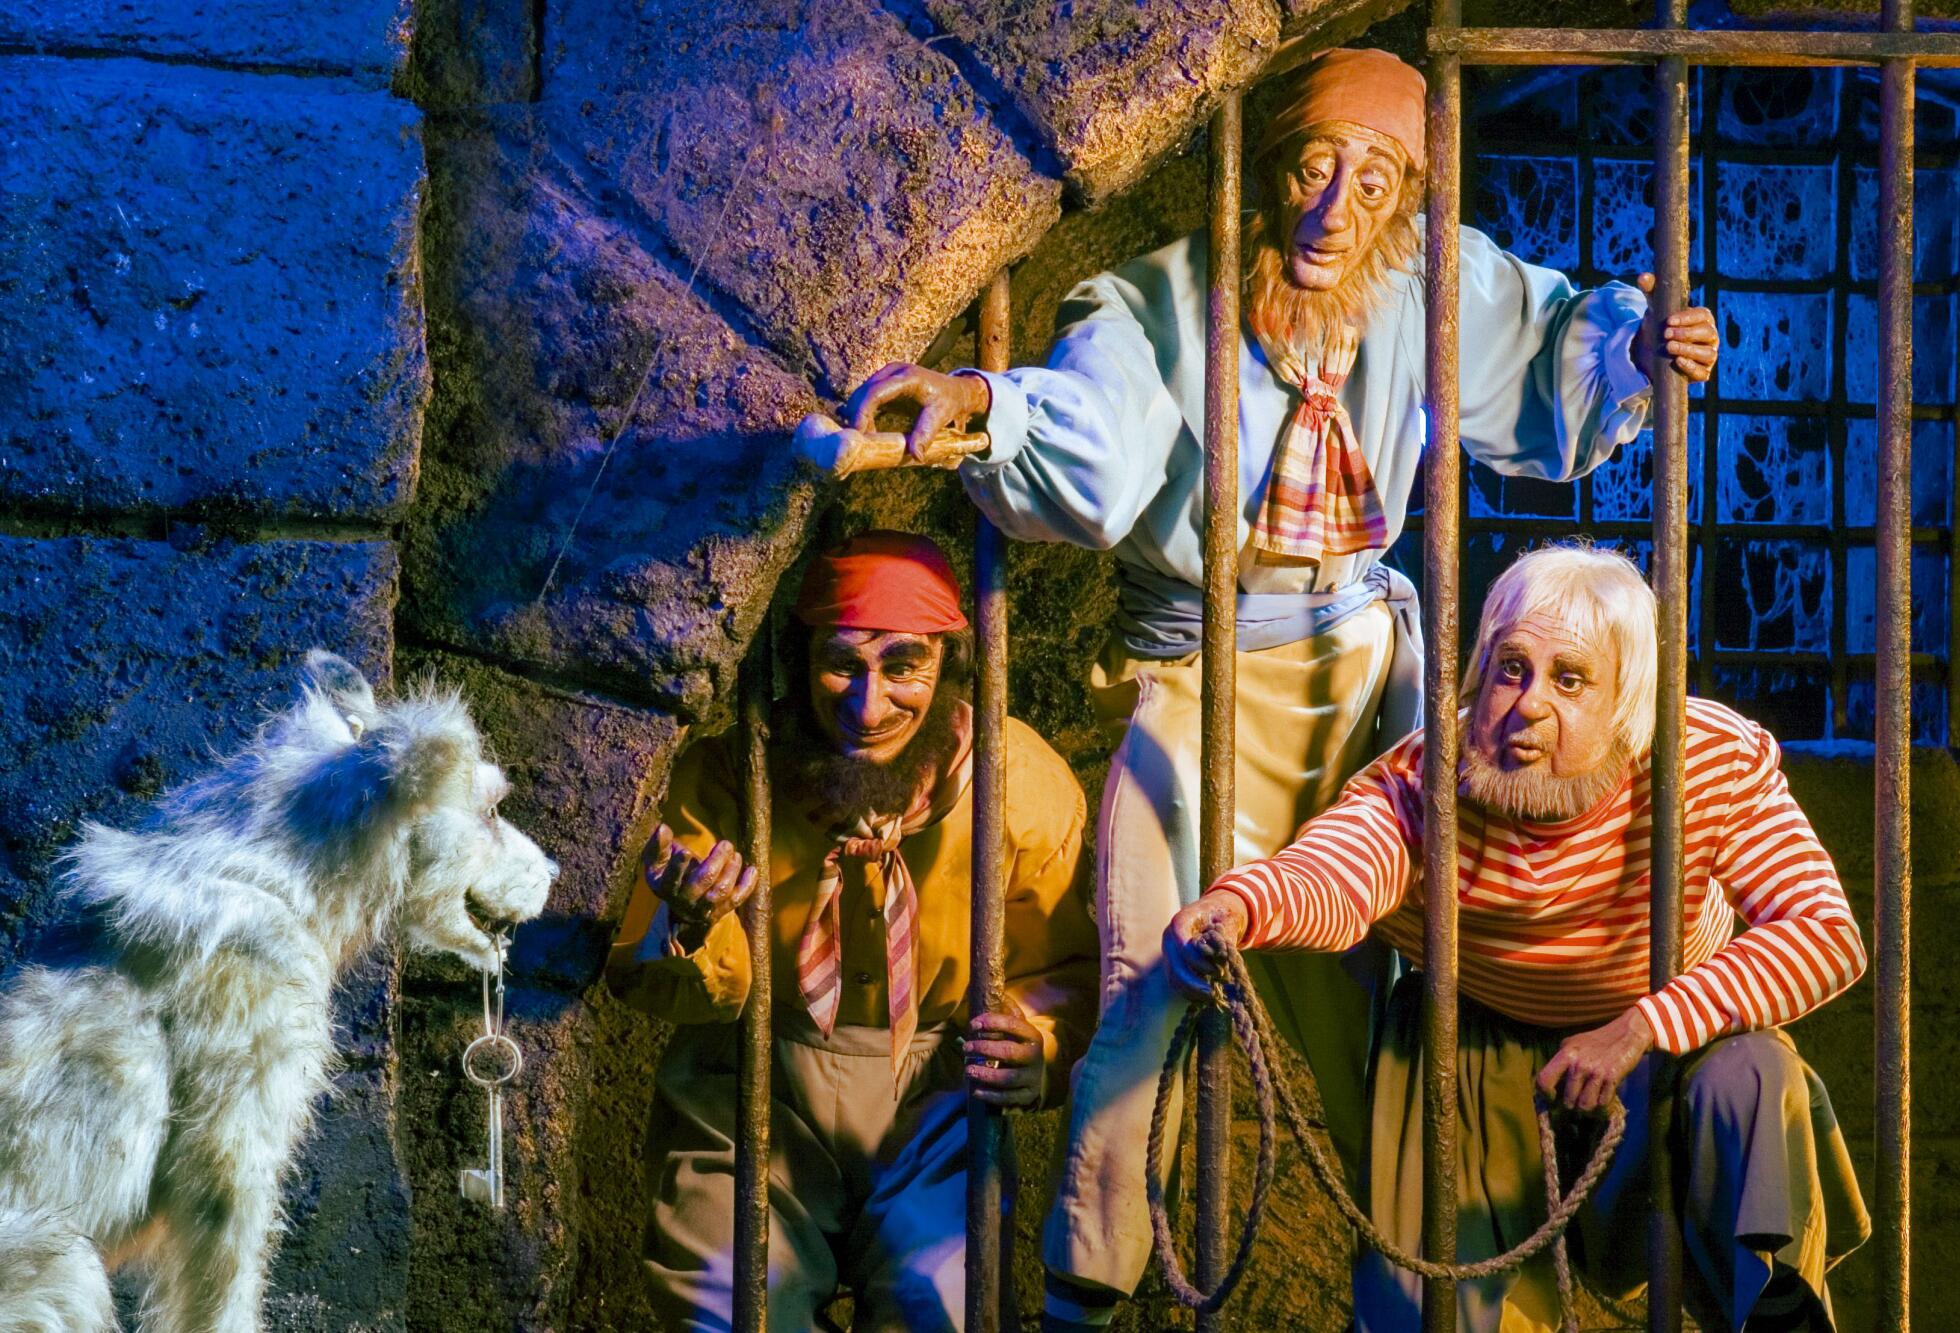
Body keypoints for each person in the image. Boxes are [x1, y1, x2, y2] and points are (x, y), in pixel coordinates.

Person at [835, 46, 1721, 1328]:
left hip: (1367, 671)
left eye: (1373, 187)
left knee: (1408, 992)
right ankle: (1090, 1271)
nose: (1332, 212)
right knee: (1148, 965)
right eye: (1314, 169)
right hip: (1203, 675)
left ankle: (1445, 1274)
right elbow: (1092, 438)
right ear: (1260, 168)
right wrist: (981, 403)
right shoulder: (1155, 305)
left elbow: (1541, 351)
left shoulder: (1426, 283)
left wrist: (1637, 348)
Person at [1165, 544, 1870, 1332]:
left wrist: (1643, 1026)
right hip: (1468, 1055)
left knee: (1752, 1072)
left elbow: (1826, 932)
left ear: (1626, 702)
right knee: (1414, 1307)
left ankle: (1776, 1311)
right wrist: (1242, 905)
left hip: (1656, 1050)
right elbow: (1340, 867)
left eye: (1569, 678)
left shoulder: (1708, 759)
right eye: (1510, 668)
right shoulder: (1429, 774)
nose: (1529, 703)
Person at [605, 530, 1099, 1333]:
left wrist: (1039, 1043)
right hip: (756, 1081)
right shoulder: (730, 778)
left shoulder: (1020, 789)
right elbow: (651, 973)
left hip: (937, 1092)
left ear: (951, 665)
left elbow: (1074, 966)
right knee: (727, 1308)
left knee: (946, 1306)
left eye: (904, 665)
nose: (868, 708)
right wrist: (691, 923)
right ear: (798, 660)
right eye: (842, 663)